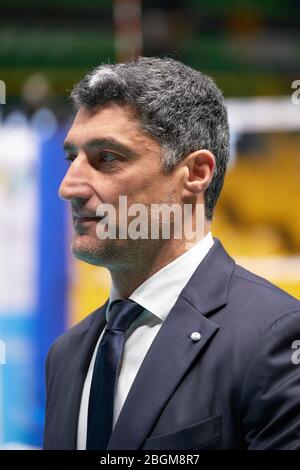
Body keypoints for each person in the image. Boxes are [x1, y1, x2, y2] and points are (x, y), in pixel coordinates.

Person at [43, 57, 300, 450]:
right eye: (71, 158)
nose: (69, 187)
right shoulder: (66, 354)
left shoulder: (275, 339)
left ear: (196, 173)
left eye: (106, 158)